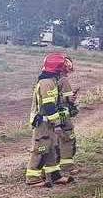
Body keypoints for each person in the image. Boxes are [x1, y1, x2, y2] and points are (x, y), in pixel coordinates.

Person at [27, 53, 79, 187]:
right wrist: (60, 121)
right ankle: (32, 178)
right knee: (41, 148)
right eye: (63, 69)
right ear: (57, 69)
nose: (64, 72)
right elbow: (49, 108)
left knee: (51, 149)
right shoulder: (47, 83)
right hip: (42, 122)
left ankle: (55, 176)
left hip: (48, 121)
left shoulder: (52, 81)